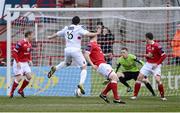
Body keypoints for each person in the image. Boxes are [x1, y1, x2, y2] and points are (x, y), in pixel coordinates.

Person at [47, 16, 101, 95]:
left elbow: (57, 34)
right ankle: (81, 84)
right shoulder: (79, 28)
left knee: (67, 63)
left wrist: (50, 37)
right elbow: (88, 34)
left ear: (71, 21)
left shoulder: (67, 28)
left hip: (67, 50)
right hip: (76, 50)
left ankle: (56, 68)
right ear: (78, 22)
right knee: (84, 67)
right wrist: (97, 33)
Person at [84, 33, 125, 104]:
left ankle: (104, 94)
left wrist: (106, 55)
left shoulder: (96, 44)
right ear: (95, 36)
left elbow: (98, 54)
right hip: (100, 65)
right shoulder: (90, 44)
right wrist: (92, 65)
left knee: (115, 78)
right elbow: (86, 54)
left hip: (103, 64)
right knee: (114, 77)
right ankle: (116, 99)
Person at [131, 32, 167, 101]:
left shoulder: (157, 46)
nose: (145, 40)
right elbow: (149, 56)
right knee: (139, 77)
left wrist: (157, 64)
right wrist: (147, 56)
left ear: (147, 38)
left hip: (156, 65)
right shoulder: (147, 45)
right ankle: (135, 95)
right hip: (148, 64)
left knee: (158, 80)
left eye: (145, 38)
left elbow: (164, 55)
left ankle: (162, 97)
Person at [10, 31, 33, 98]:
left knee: (29, 77)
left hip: (25, 63)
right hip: (18, 62)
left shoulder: (29, 44)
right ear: (28, 35)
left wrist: (30, 60)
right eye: (32, 35)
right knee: (19, 78)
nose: (32, 37)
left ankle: (20, 90)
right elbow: (14, 52)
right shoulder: (21, 43)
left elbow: (28, 53)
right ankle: (11, 92)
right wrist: (17, 62)